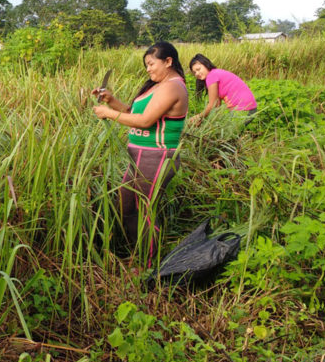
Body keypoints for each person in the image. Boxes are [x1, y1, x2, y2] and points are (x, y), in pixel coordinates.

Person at [92, 41, 189, 267]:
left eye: (151, 64)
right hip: (138, 158)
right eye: (146, 65)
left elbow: (145, 121)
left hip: (157, 158)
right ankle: (139, 255)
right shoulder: (157, 86)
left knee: (145, 211)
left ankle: (148, 265)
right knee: (126, 206)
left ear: (168, 61)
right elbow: (132, 113)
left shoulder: (173, 86)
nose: (148, 69)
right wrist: (112, 101)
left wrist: (107, 114)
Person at [188, 53, 257, 126]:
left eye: (198, 69)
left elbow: (212, 105)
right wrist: (207, 121)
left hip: (243, 110)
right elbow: (217, 105)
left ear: (206, 64)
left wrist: (198, 117)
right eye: (194, 72)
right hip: (250, 110)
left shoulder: (212, 76)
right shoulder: (215, 73)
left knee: (228, 134)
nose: (197, 73)